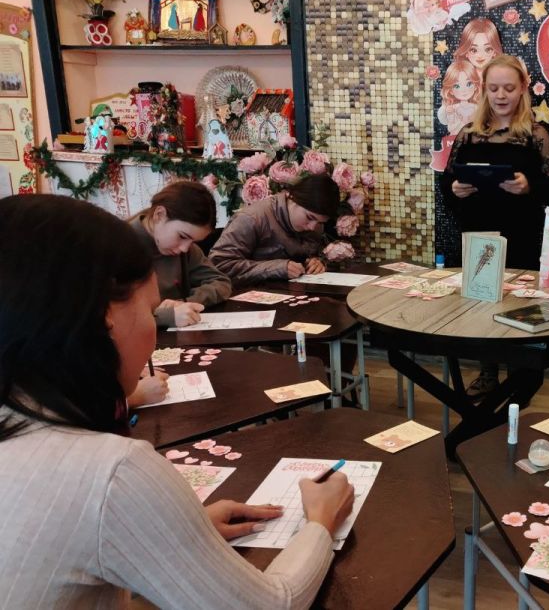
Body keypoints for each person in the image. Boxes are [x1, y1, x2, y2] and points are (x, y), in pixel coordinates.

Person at [0, 194, 355, 608]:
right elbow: (271, 605)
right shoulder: (113, 473)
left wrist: (171, 535)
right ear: (104, 317)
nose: (154, 334)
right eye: (151, 310)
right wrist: (320, 522)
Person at [440, 54, 549, 395]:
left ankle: (520, 376)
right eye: (493, 88)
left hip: (522, 234)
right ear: (484, 91)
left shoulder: (536, 135)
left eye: (508, 87)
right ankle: (487, 373)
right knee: (481, 303)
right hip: (479, 233)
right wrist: (455, 188)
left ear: (522, 89)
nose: (501, 95)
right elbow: (446, 185)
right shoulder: (468, 135)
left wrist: (528, 186)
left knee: (519, 304)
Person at [130, 180, 231, 329]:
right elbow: (107, 316)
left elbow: (221, 283)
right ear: (159, 215)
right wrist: (166, 316)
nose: (184, 249)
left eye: (193, 241)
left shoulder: (187, 249)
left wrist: (184, 303)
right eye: (182, 236)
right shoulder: (116, 246)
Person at [210, 173, 340, 285]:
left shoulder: (315, 225)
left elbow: (313, 255)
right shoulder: (251, 219)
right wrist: (276, 268)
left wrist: (317, 263)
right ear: (292, 197)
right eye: (309, 217)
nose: (312, 227)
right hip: (248, 296)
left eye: (320, 222)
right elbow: (218, 266)